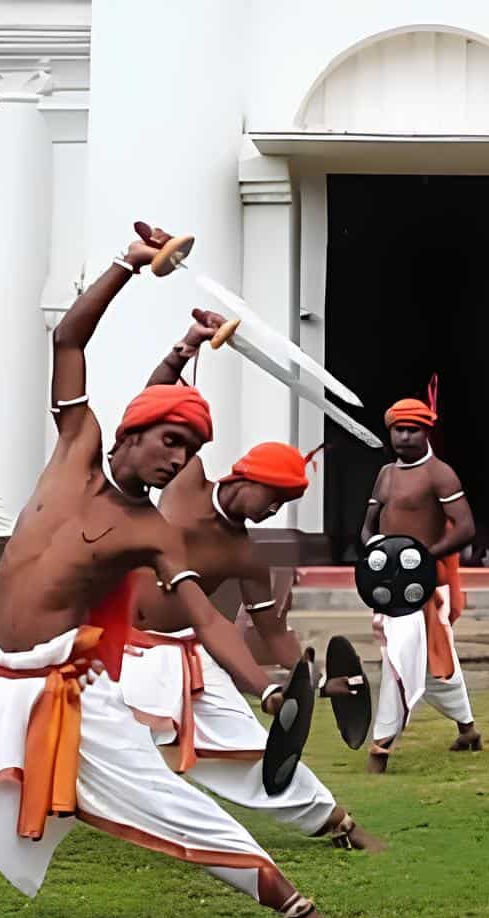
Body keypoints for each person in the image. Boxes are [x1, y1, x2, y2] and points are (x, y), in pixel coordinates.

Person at [0, 224, 365, 918]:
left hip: (69, 696)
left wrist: (264, 688)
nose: (180, 459)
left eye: (193, 450)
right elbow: (69, 341)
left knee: (178, 813)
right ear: (132, 433)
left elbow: (206, 615)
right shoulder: (76, 445)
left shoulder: (152, 533)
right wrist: (127, 266)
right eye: (171, 441)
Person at [106, 312, 384, 851]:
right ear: (244, 477)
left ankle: (337, 823)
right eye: (274, 497)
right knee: (65, 732)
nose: (275, 510)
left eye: (286, 503)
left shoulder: (247, 555)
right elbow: (153, 408)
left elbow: (271, 630)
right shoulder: (183, 480)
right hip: (110, 643)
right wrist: (185, 347)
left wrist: (307, 681)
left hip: (186, 650)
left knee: (252, 748)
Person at [359, 393, 481, 772]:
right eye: (398, 430)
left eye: (412, 430)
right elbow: (368, 527)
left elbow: (465, 529)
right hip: (389, 587)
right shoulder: (385, 475)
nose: (404, 437)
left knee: (399, 657)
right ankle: (468, 729)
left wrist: (422, 559)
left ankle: (380, 747)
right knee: (434, 664)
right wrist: (377, 556)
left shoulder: (439, 473)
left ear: (426, 431)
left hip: (425, 589)